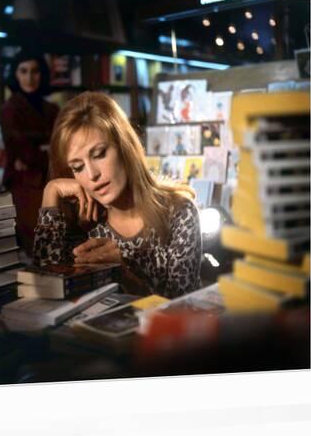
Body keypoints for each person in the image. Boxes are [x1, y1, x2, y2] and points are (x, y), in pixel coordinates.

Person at [33, 92, 202, 299]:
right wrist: (50, 192)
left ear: (124, 147)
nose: (92, 174)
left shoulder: (179, 213)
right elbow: (45, 291)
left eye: (99, 154)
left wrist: (122, 272)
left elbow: (181, 308)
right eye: (78, 167)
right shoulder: (85, 222)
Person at [0, 51, 59, 256]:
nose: (29, 77)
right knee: (37, 244)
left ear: (41, 74)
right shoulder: (10, 109)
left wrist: (43, 151)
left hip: (48, 179)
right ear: (16, 75)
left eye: (35, 71)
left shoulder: (52, 108)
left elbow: (60, 146)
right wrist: (46, 151)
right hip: (24, 184)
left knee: (57, 240)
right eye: (23, 71)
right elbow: (24, 151)